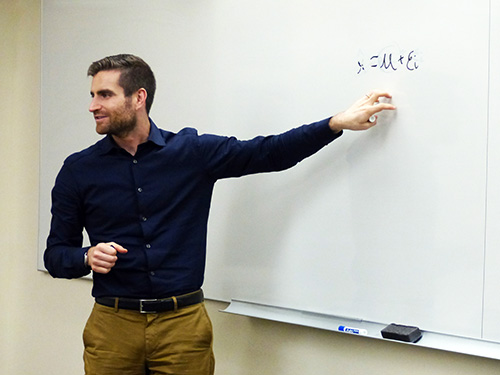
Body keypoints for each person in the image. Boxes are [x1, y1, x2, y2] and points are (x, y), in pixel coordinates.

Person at [44, 54, 396, 375]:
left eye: (104, 95)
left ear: (138, 98)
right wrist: (85, 256)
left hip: (182, 324)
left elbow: (269, 152)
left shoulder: (192, 152)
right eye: (92, 96)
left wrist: (335, 123)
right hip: (112, 324)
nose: (92, 106)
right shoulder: (79, 170)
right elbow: (56, 254)